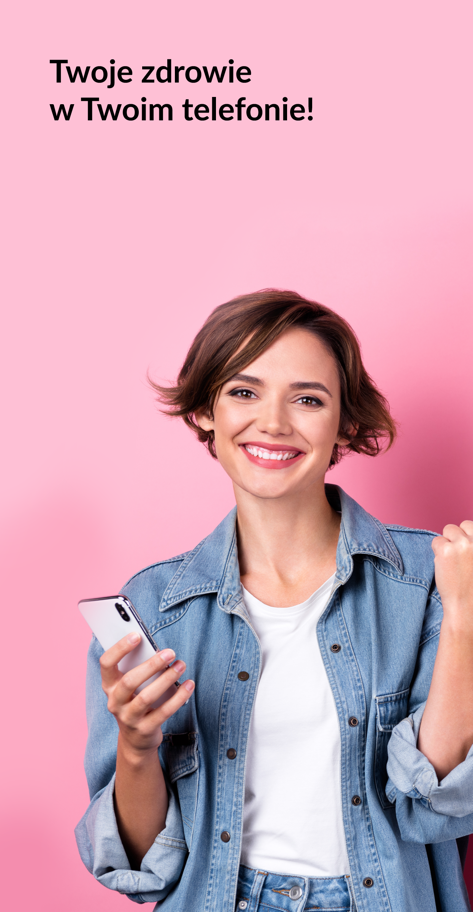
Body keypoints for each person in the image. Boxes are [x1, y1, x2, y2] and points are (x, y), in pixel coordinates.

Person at [75, 289, 473, 912]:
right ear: (205, 410)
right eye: (243, 391)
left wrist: (466, 624)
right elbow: (142, 870)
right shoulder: (154, 605)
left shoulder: (431, 578)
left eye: (308, 399)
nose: (274, 423)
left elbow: (436, 807)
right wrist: (135, 743)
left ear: (345, 421)